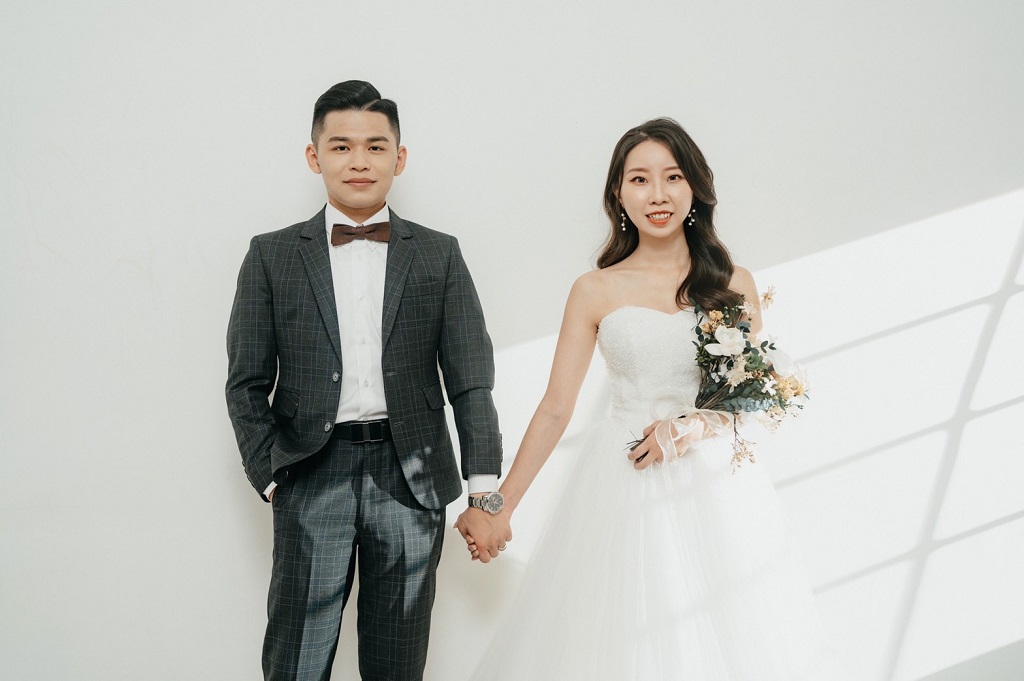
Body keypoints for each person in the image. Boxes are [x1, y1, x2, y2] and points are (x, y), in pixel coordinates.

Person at [456, 118, 838, 679]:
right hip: (620, 479)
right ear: (618, 193)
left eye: (672, 177)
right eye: (639, 179)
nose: (657, 194)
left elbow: (755, 396)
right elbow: (556, 407)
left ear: (695, 187)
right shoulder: (595, 289)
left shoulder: (733, 282)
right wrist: (499, 507)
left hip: (715, 486)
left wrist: (692, 427)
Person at [225, 80, 509, 681]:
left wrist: (484, 494)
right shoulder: (271, 255)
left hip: (411, 480)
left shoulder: (439, 255)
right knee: (297, 660)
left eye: (376, 147)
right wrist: (272, 476)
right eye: (342, 146)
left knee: (397, 664)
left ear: (399, 159)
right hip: (310, 473)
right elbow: (246, 382)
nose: (359, 161)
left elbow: (471, 382)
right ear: (314, 156)